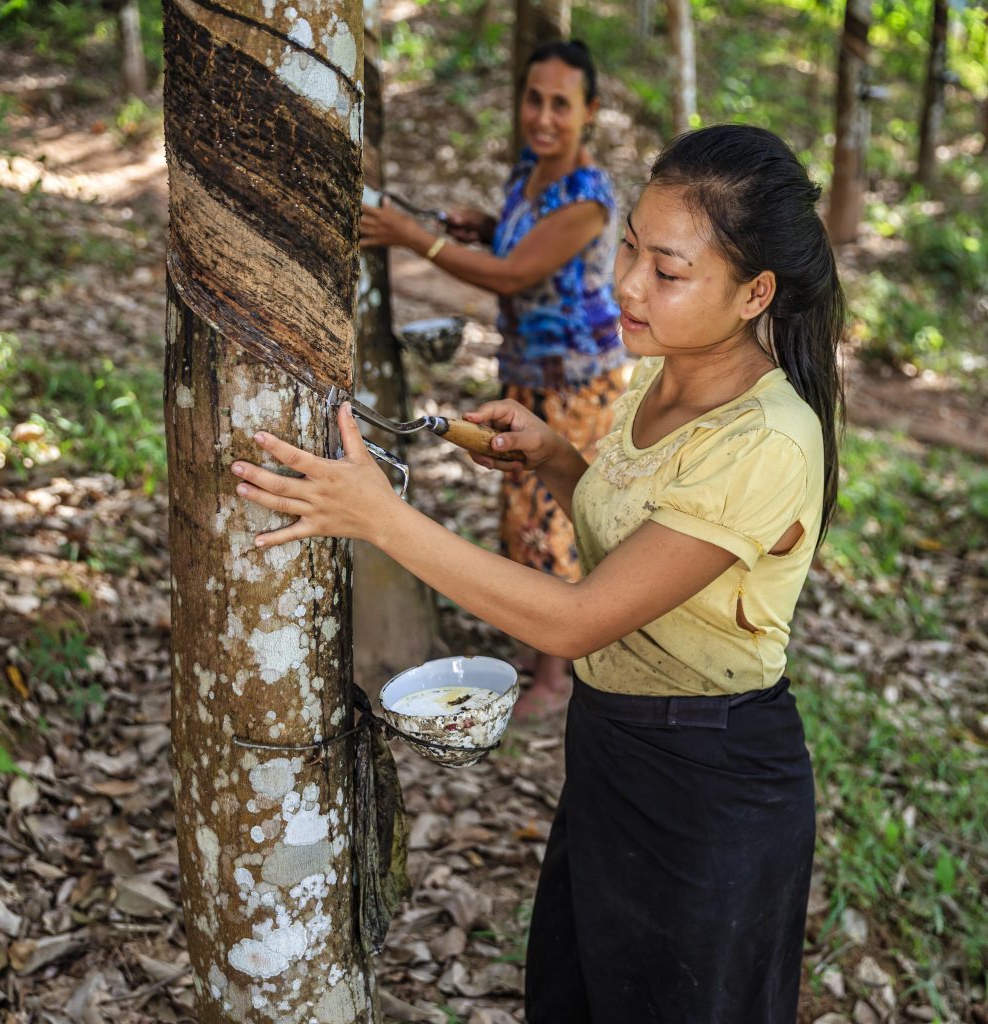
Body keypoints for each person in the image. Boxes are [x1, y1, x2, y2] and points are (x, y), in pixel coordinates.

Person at [232, 123, 845, 1023]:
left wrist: (381, 518)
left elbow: (576, 619)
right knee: (578, 991)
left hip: (709, 784)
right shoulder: (665, 375)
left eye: (668, 271)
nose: (628, 284)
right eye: (629, 246)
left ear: (757, 292)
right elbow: (639, 539)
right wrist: (556, 457)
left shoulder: (768, 441)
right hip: (613, 749)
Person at [360, 39, 628, 717]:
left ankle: (555, 674)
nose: (542, 116)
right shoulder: (530, 174)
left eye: (560, 104)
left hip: (575, 381)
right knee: (521, 508)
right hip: (528, 372)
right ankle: (545, 645)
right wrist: (483, 225)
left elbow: (515, 273)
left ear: (589, 111)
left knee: (553, 516)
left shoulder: (588, 197)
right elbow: (515, 242)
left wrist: (410, 237)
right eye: (533, 99)